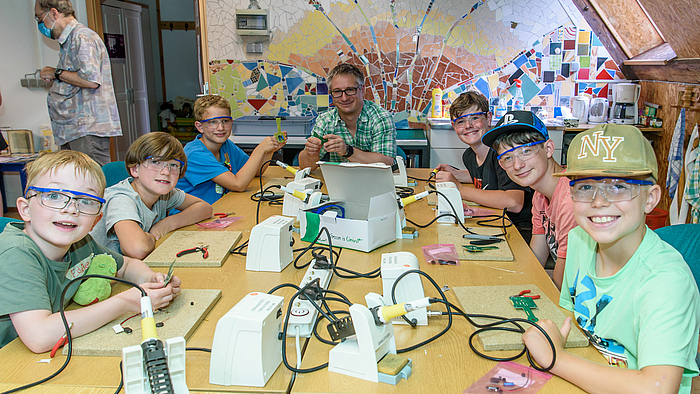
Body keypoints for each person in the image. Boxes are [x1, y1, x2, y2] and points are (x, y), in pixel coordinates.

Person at [521, 124, 700, 393]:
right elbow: (571, 323)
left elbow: (657, 389)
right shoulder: (580, 240)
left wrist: (555, 358)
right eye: (584, 187)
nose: (599, 202)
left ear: (650, 199)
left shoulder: (666, 281)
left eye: (618, 186)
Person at [0, 151, 180, 352]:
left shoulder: (81, 242)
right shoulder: (15, 252)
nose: (70, 209)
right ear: (25, 209)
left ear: (95, 220)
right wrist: (126, 302)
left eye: (85, 200)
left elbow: (127, 265)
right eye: (54, 196)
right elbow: (40, 337)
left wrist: (152, 280)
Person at [482, 110, 577, 288]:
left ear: (548, 149)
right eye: (508, 157)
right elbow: (536, 260)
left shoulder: (569, 201)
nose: (518, 165)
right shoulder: (540, 195)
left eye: (526, 151)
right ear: (501, 164)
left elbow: (562, 288)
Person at [91, 132, 213, 259]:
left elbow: (204, 208)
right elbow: (137, 249)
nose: (166, 172)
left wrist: (164, 225)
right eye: (155, 162)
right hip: (98, 274)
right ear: (135, 169)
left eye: (173, 165)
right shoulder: (121, 198)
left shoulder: (165, 194)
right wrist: (153, 236)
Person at [434, 92, 533, 242]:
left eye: (475, 118)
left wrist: (459, 189)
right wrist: (457, 174)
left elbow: (514, 203)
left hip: (520, 231)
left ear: (488, 118)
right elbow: (487, 177)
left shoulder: (503, 154)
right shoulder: (469, 156)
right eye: (461, 121)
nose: (468, 126)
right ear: (454, 126)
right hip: (496, 222)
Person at [35, 0, 122, 166]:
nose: (40, 24)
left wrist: (56, 73)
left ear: (54, 13)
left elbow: (90, 80)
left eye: (39, 18)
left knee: (92, 184)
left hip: (86, 129)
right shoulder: (69, 40)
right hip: (73, 130)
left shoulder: (82, 37)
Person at [177, 95, 285, 205]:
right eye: (212, 122)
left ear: (231, 122)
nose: (220, 128)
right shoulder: (195, 154)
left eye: (225, 121)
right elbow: (238, 184)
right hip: (192, 218)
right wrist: (260, 149)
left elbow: (256, 171)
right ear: (200, 127)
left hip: (221, 208)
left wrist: (270, 150)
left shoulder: (226, 145)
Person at [298, 63, 396, 171]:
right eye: (337, 91)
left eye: (350, 90)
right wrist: (311, 153)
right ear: (331, 94)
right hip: (339, 183)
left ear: (362, 90)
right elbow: (305, 167)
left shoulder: (381, 118)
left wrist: (348, 151)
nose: (344, 98)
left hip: (376, 181)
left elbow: (386, 163)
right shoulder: (324, 121)